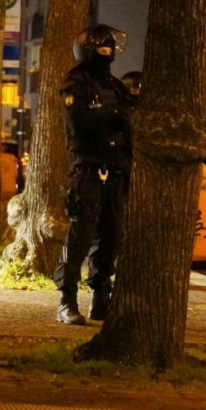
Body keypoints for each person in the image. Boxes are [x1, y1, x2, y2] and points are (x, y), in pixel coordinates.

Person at [55, 23, 137, 325]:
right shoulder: (75, 84)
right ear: (88, 51)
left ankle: (101, 300)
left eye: (110, 48)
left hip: (116, 171)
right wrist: (112, 116)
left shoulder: (115, 86)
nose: (107, 53)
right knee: (79, 237)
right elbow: (79, 122)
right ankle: (66, 300)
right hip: (89, 171)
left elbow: (133, 114)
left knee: (111, 238)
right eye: (102, 48)